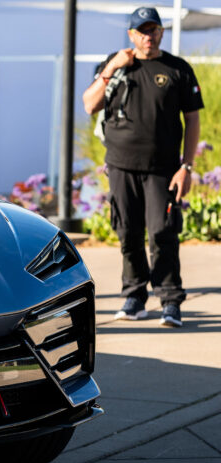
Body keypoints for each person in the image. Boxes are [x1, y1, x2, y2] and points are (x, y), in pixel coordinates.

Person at [82, 7, 202, 328]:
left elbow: (192, 120)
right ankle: (134, 295)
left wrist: (186, 167)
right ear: (131, 35)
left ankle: (170, 300)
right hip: (121, 166)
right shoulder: (116, 66)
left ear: (161, 33)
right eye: (142, 31)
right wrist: (112, 68)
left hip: (163, 168)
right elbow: (90, 104)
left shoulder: (178, 70)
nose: (148, 36)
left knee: (163, 233)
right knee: (127, 232)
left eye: (153, 30)